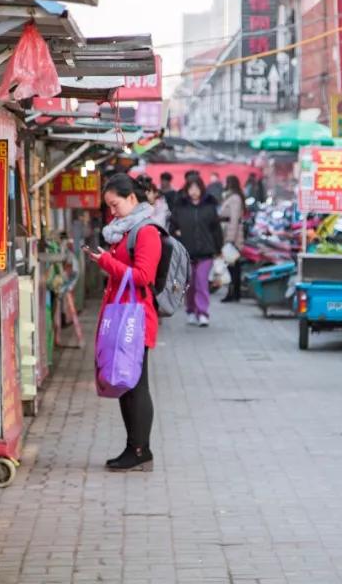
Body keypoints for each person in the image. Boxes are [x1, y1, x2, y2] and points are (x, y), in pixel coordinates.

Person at [86, 174, 162, 472]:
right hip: (123, 316)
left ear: (132, 198)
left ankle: (141, 450)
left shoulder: (146, 233)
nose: (112, 212)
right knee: (124, 383)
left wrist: (106, 262)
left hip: (137, 319)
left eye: (115, 204)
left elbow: (144, 276)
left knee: (136, 385)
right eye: (109, 207)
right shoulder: (124, 231)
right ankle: (134, 448)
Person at [170, 177, 223, 327]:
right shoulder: (180, 207)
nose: (194, 191)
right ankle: (191, 311)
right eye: (191, 188)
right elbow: (171, 227)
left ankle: (203, 313)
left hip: (206, 252)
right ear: (187, 190)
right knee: (190, 284)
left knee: (201, 282)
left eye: (196, 188)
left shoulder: (209, 206)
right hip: (187, 253)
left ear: (202, 189)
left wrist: (219, 249)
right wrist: (176, 234)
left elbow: (216, 230)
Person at [218, 175, 246, 303]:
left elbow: (234, 219)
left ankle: (233, 293)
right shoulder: (232, 196)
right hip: (229, 233)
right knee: (232, 266)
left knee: (232, 267)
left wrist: (230, 239)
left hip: (232, 236)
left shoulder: (234, 198)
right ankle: (234, 293)